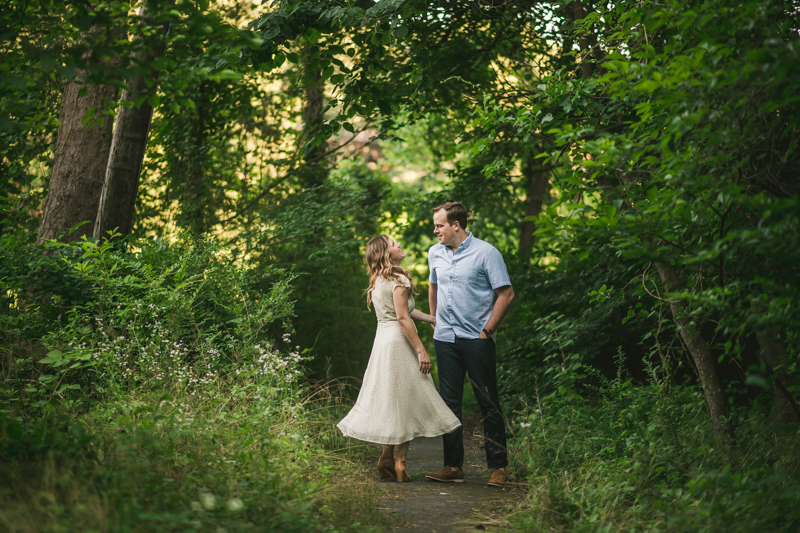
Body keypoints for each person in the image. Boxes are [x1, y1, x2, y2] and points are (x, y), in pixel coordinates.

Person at [337, 235, 461, 482]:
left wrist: (432, 318)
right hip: (399, 340)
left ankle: (386, 458)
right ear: (386, 253)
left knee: (391, 399)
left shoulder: (378, 280)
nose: (400, 245)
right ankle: (400, 463)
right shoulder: (400, 279)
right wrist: (421, 350)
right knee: (407, 401)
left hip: (382, 342)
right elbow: (403, 318)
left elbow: (406, 311)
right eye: (395, 244)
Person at [425, 202, 515, 488]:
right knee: (448, 405)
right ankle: (453, 466)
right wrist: (435, 321)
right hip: (445, 340)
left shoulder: (486, 253)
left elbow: (507, 293)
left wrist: (487, 331)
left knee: (488, 402)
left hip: (477, 339)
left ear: (456, 225)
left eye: (439, 224)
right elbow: (433, 286)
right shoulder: (434, 252)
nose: (435, 229)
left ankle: (498, 467)